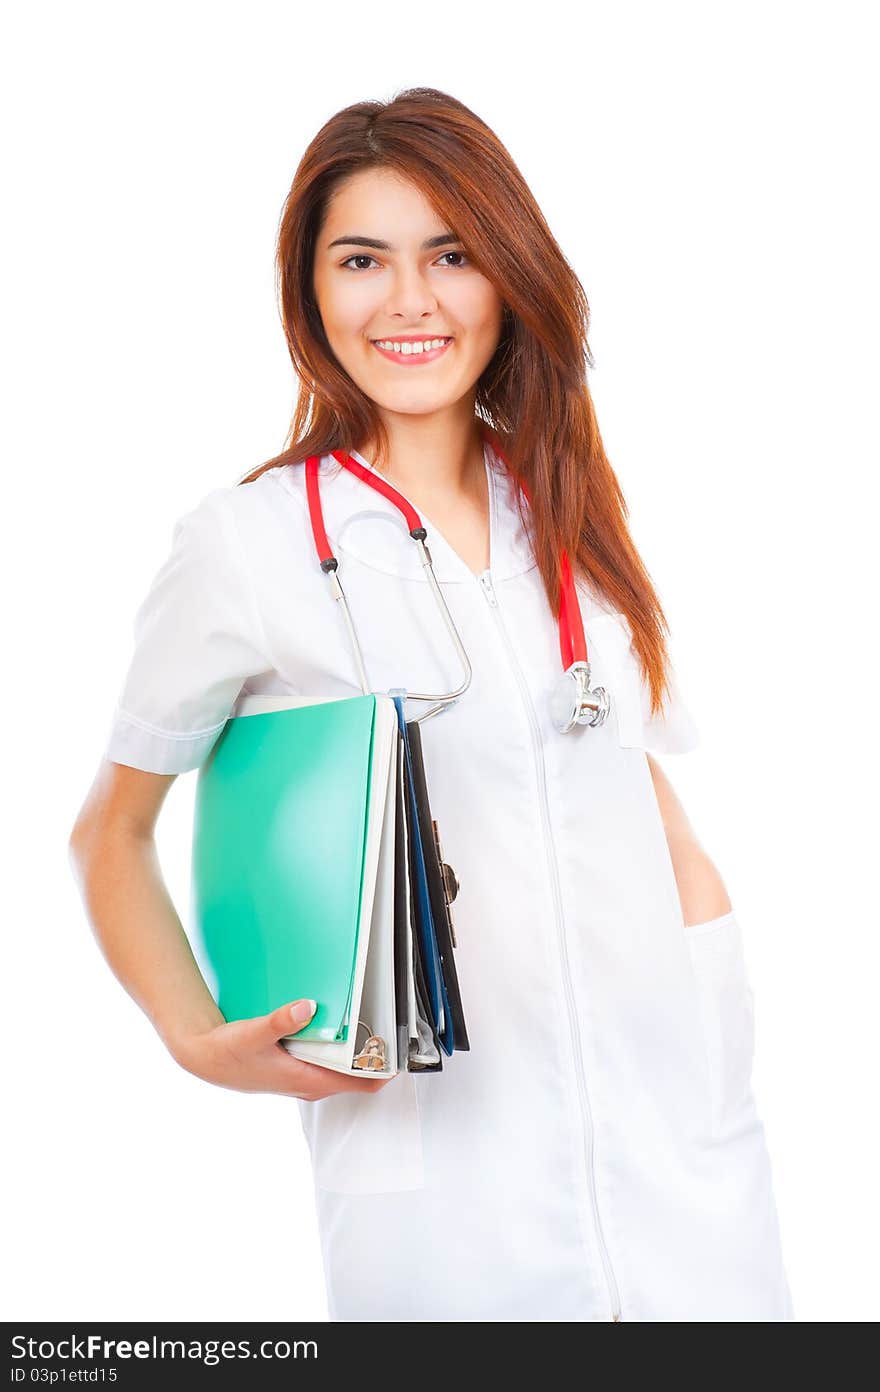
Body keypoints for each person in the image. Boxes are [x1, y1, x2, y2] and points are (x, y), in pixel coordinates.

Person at [69, 87, 794, 1322]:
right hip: (444, 1182)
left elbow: (622, 769)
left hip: (687, 1139)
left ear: (507, 277)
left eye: (451, 255)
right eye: (364, 260)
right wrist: (195, 1039)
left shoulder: (565, 506)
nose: (409, 301)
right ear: (311, 292)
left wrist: (705, 947)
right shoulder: (247, 546)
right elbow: (112, 831)